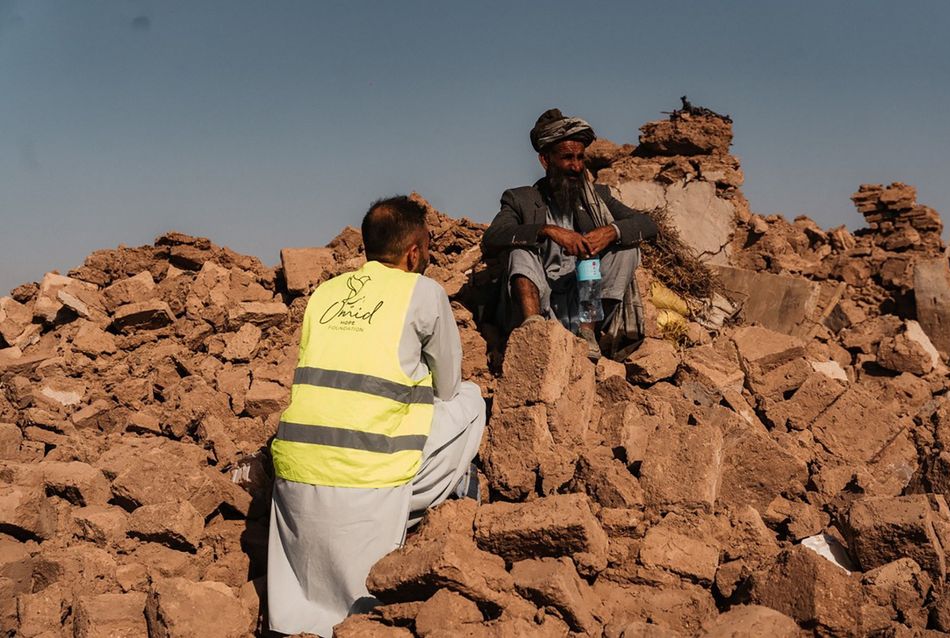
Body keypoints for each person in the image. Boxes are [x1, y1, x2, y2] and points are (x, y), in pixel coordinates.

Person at [267, 196, 486, 637]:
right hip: (370, 479)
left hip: (295, 474)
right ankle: (454, 498)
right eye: (427, 246)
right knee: (471, 398)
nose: (430, 255)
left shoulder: (325, 293)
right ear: (413, 252)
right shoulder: (424, 292)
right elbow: (447, 386)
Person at [481, 108, 658, 358]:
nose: (576, 167)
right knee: (519, 249)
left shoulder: (598, 198)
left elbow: (648, 224)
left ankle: (588, 336)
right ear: (545, 160)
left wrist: (611, 231)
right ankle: (535, 336)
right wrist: (548, 231)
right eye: (567, 158)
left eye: (580, 158)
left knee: (625, 250)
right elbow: (493, 237)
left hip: (583, 302)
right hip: (537, 301)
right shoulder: (520, 199)